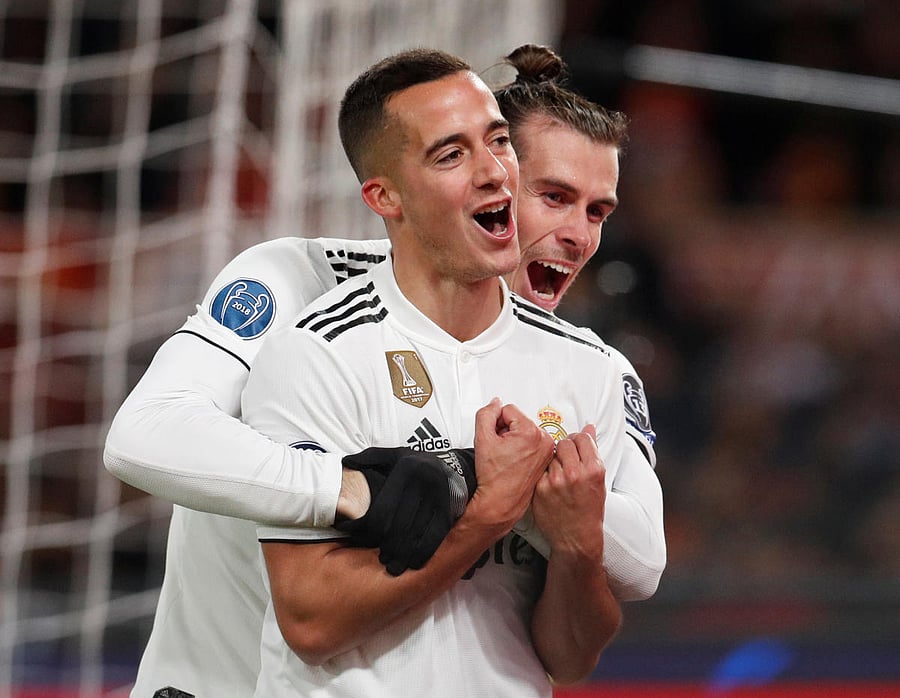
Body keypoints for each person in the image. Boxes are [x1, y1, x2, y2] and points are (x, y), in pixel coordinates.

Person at [104, 44, 664, 697]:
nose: (578, 236)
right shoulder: (299, 289)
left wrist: (501, 484)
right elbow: (146, 432)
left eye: (597, 211)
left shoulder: (586, 365)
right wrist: (362, 488)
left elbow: (639, 561)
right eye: (554, 196)